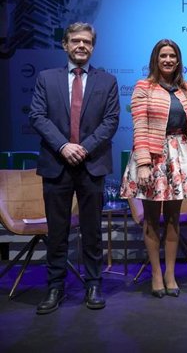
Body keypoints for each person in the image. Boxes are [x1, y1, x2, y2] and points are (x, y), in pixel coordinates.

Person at [29, 22, 120, 314]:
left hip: (92, 165)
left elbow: (111, 121)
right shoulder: (46, 78)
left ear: (93, 47)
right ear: (65, 45)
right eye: (76, 41)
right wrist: (64, 146)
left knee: (92, 231)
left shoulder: (107, 81)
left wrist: (84, 147)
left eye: (87, 42)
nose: (82, 46)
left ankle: (93, 285)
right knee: (58, 231)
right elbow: (38, 116)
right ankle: (55, 288)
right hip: (57, 164)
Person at [120, 39, 187, 298]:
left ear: (178, 61)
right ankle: (156, 275)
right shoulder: (143, 87)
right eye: (163, 56)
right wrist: (144, 164)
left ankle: (171, 274)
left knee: (173, 220)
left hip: (179, 157)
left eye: (172, 56)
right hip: (153, 158)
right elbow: (140, 126)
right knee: (151, 219)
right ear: (155, 60)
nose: (168, 60)